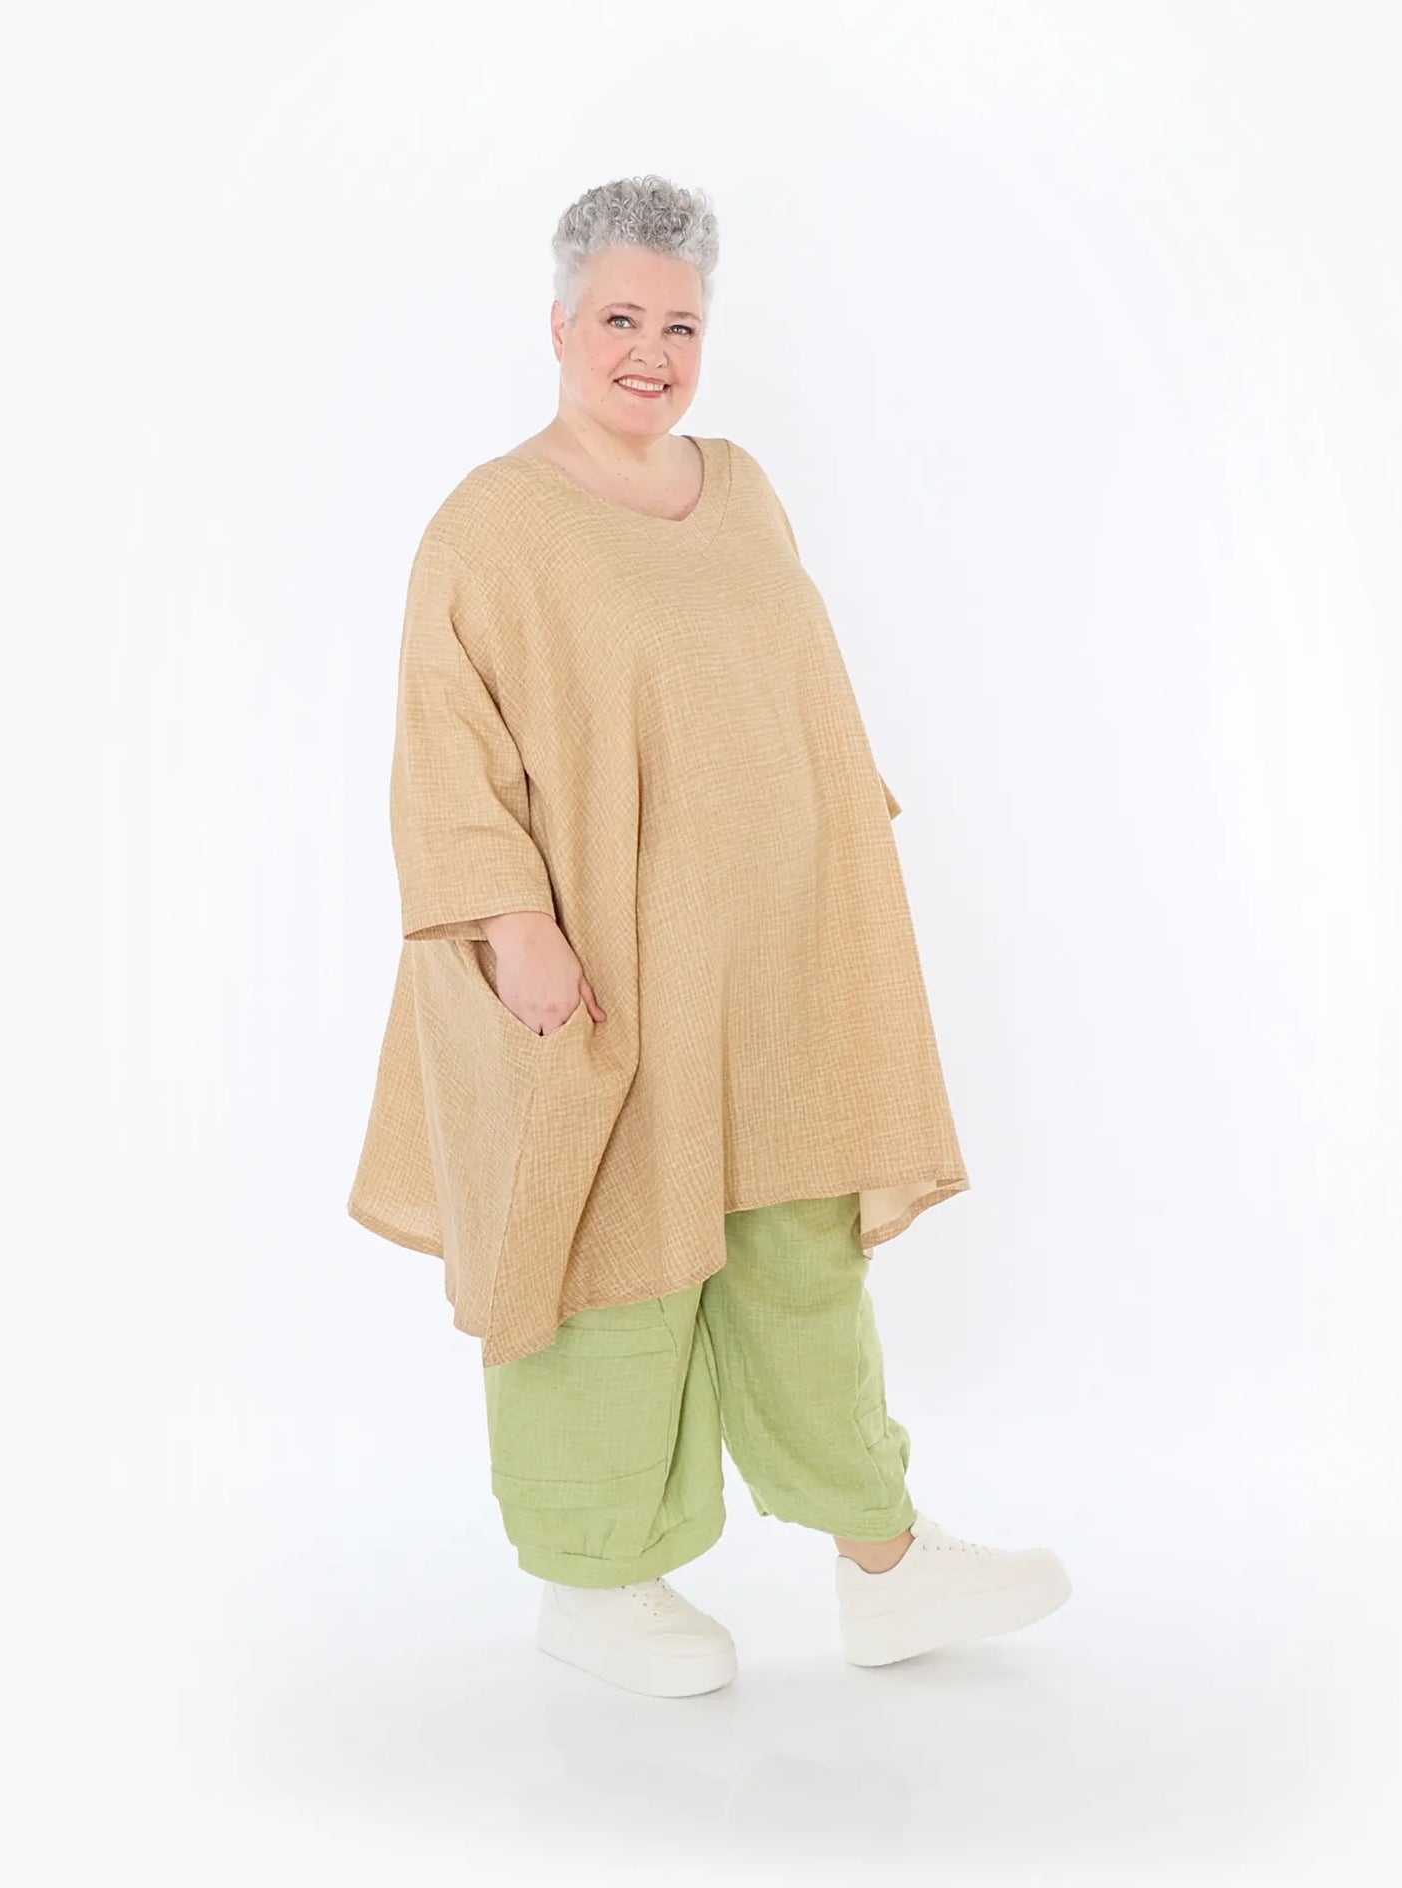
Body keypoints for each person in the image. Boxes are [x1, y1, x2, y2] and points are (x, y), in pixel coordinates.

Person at [347, 175, 1071, 1696]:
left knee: (798, 1247)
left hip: (773, 964)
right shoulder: (490, 525)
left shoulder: (739, 488)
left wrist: (837, 883)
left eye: (680, 326)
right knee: (613, 1254)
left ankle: (885, 1558)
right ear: (558, 326)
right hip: (602, 969)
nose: (651, 353)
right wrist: (515, 927)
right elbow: (444, 745)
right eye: (620, 317)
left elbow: (794, 704)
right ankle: (596, 1578)